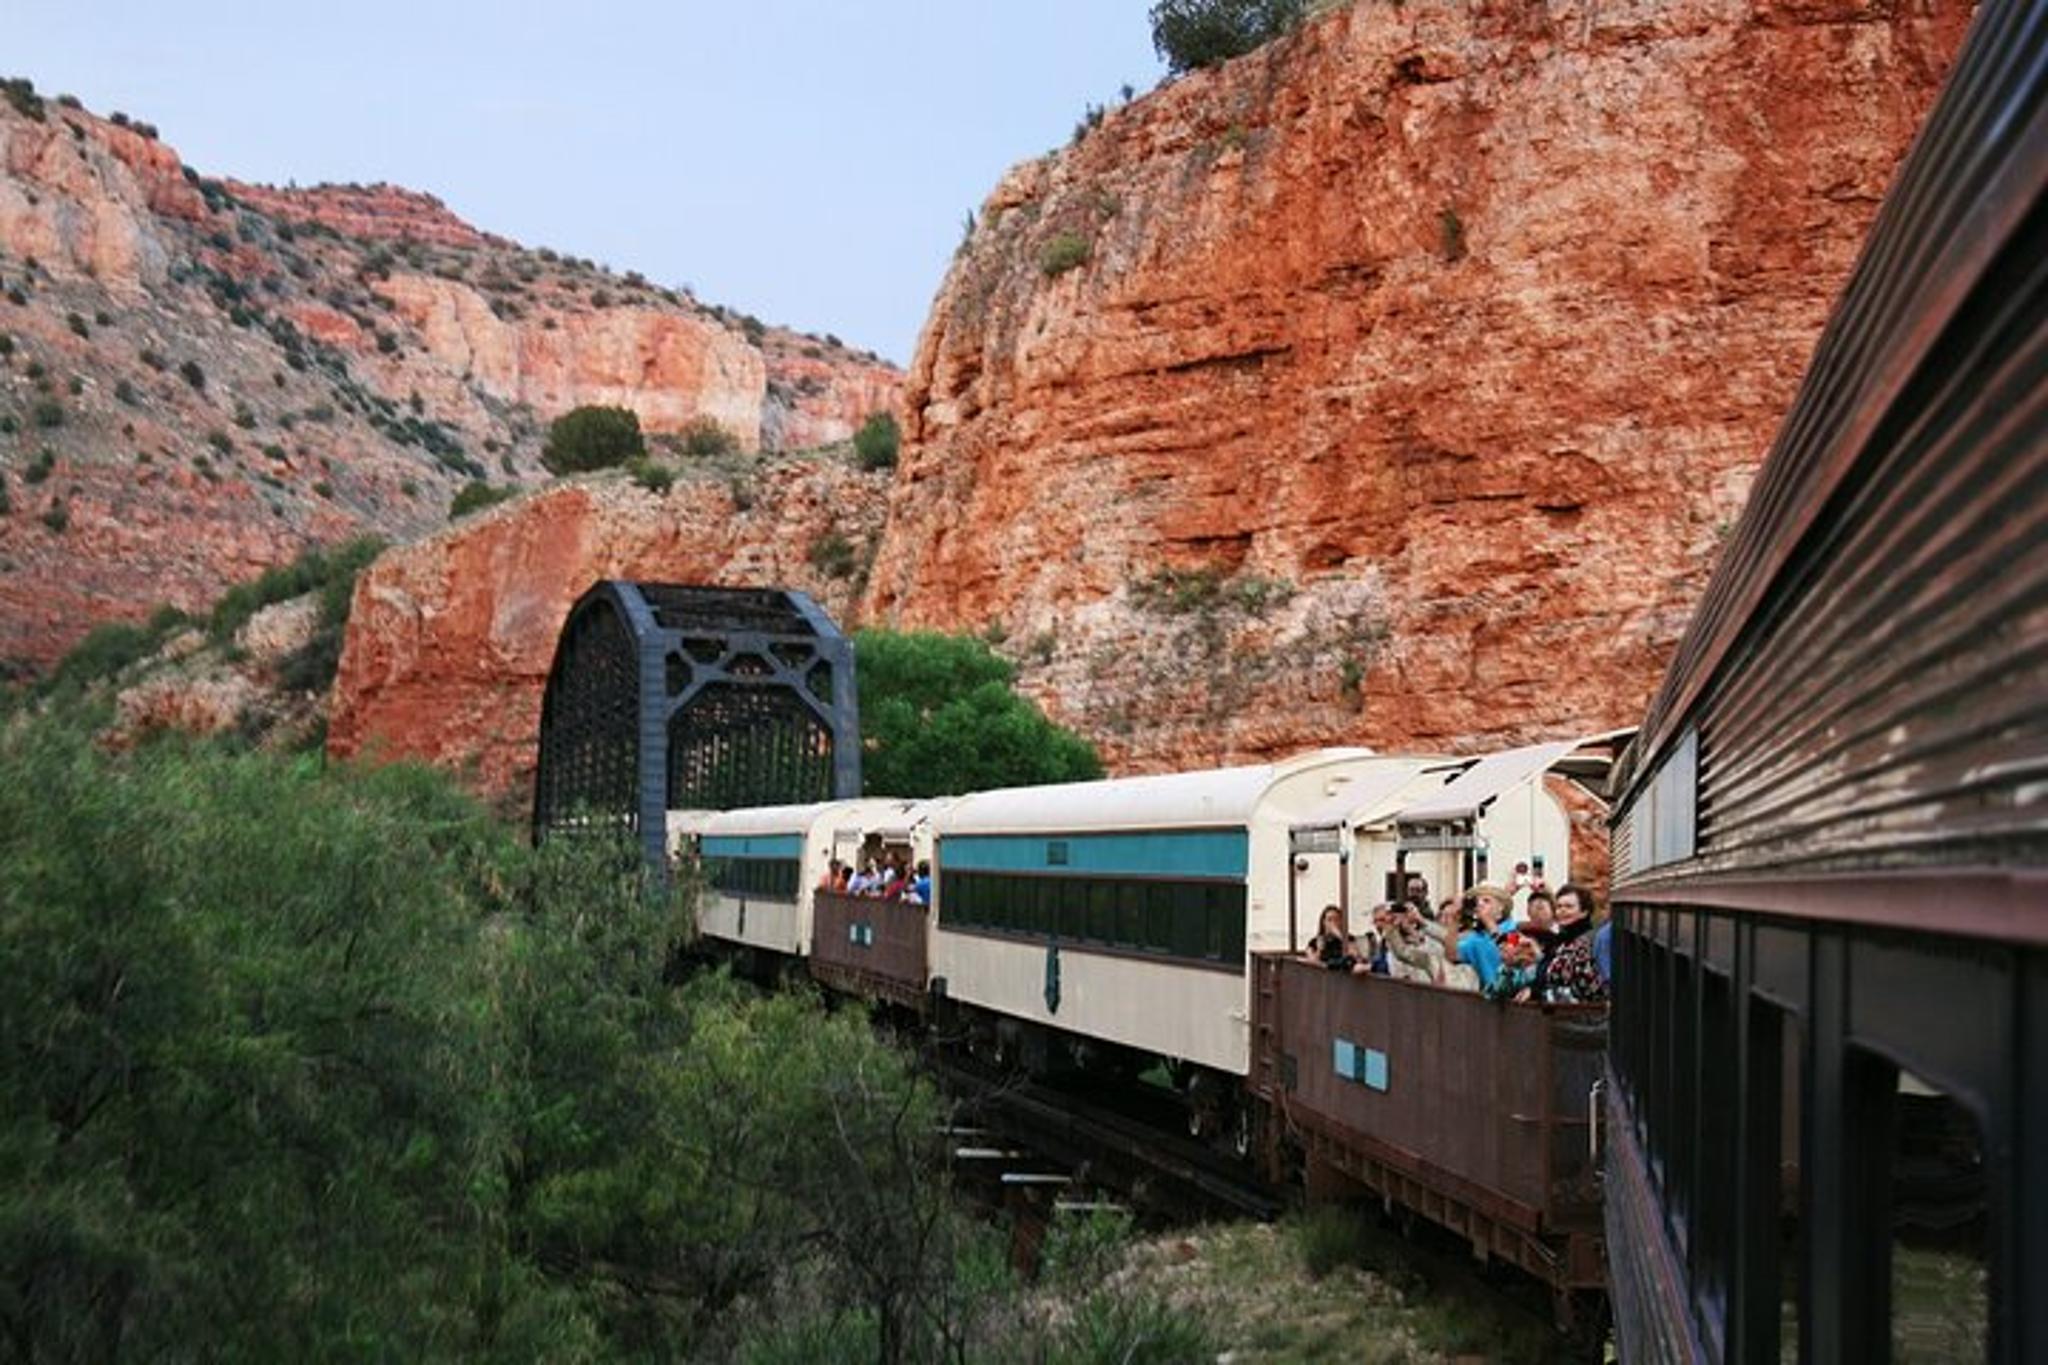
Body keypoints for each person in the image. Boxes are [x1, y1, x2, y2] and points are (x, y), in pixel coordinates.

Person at [1487, 931, 1542, 1001]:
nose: (1501, 955)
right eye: (1500, 949)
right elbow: (1496, 992)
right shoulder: (1504, 969)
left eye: (1505, 950)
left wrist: (1536, 953)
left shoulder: (1535, 967)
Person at [1302, 905, 1359, 971]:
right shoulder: (1314, 942)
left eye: (1336, 920)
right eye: (1329, 920)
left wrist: (1339, 935)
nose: (1333, 923)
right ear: (1324, 922)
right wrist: (1319, 950)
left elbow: (1356, 955)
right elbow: (1312, 962)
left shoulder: (1348, 939)